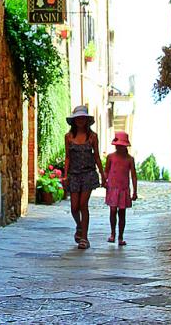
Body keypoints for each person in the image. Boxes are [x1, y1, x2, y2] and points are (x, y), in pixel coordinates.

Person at [62, 105, 106, 249]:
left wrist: (103, 174)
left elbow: (97, 156)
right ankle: (79, 226)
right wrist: (65, 175)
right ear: (74, 121)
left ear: (86, 120)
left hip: (88, 174)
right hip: (74, 175)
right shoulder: (68, 137)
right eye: (78, 118)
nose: (80, 120)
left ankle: (84, 238)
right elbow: (67, 157)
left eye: (82, 118)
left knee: (83, 204)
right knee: (74, 207)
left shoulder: (92, 137)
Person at [104, 131, 137, 246]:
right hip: (112, 188)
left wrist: (135, 191)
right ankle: (113, 233)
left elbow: (133, 175)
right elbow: (107, 170)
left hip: (123, 189)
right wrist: (104, 181)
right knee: (113, 210)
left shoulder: (129, 159)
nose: (119, 147)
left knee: (122, 213)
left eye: (121, 146)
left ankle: (120, 236)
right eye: (118, 145)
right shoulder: (111, 157)